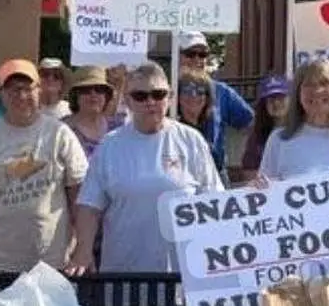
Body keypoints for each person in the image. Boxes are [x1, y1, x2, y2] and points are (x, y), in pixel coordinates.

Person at [70, 61, 222, 274]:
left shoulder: (192, 140)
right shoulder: (109, 146)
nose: (150, 102)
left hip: (182, 276)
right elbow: (89, 206)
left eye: (158, 94)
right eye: (140, 96)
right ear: (128, 101)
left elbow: (215, 201)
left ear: (169, 98)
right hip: (123, 275)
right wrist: (83, 249)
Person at [0, 59, 87, 272]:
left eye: (27, 88)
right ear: (1, 94)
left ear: (39, 91)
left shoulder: (59, 133)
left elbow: (79, 193)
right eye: (12, 89)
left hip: (52, 265)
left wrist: (81, 246)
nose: (21, 96)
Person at [176, 31, 254, 172]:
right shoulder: (166, 92)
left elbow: (251, 123)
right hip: (178, 172)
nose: (197, 59)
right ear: (177, 55)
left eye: (202, 54)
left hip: (215, 172)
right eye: (190, 54)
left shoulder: (222, 92)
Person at [241, 75, 289, 181]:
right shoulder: (256, 136)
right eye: (271, 99)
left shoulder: (302, 129)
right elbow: (249, 170)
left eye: (280, 98)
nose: (276, 103)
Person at [64, 65, 117, 158]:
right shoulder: (63, 130)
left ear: (106, 96)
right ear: (76, 95)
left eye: (99, 89)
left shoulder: (116, 127)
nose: (93, 94)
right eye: (86, 90)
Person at [176, 69, 215, 144]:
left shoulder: (209, 131)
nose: (194, 96)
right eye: (187, 90)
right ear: (178, 96)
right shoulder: (172, 130)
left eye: (200, 91)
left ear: (207, 98)